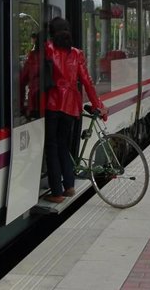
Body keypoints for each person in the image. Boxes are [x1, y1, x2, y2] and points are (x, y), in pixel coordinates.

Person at [43, 17, 107, 204]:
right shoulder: (77, 53)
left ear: (52, 32)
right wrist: (98, 106)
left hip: (53, 104)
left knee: (52, 147)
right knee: (64, 145)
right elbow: (87, 82)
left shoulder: (47, 49)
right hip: (71, 106)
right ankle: (69, 186)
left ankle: (56, 192)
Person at [20, 33, 40, 119]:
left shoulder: (32, 58)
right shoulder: (57, 56)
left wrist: (21, 106)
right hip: (57, 105)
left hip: (35, 102)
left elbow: (22, 81)